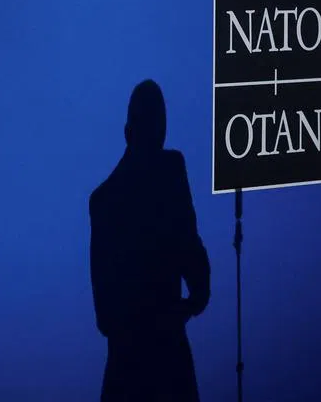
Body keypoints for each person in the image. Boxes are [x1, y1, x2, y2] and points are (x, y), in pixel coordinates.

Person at [89, 80, 211, 401]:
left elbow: (103, 314)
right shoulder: (169, 170)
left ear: (128, 130)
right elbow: (189, 246)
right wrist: (194, 300)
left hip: (123, 369)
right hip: (166, 356)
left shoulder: (102, 200)